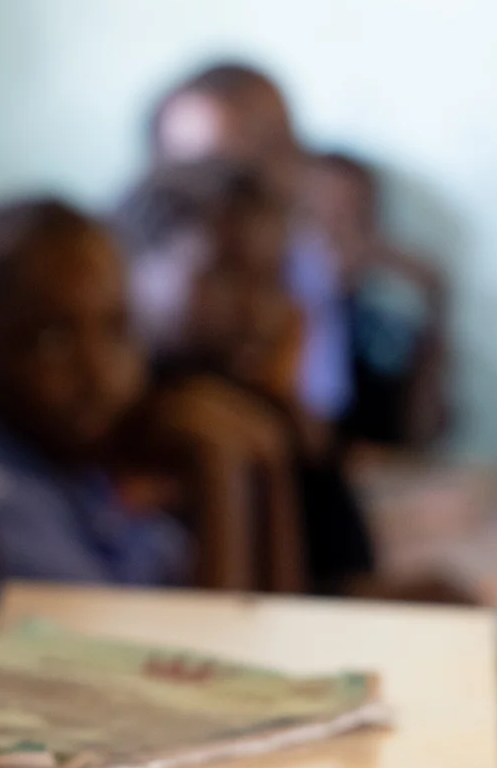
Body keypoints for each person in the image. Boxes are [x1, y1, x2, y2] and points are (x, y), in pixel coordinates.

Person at [0, 198, 305, 591]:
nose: (98, 371)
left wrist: (268, 468)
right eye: (52, 339)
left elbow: (272, 626)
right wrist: (219, 471)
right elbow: (199, 650)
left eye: (117, 329)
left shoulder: (85, 488)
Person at [115, 160, 378, 592]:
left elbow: (330, 584)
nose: (255, 309)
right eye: (225, 272)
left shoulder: (274, 414)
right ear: (133, 270)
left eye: (272, 279)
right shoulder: (114, 434)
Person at [146, 60, 352, 428]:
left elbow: (315, 421)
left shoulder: (306, 262)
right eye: (218, 164)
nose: (264, 177)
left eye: (276, 147)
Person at [301, 151, 451, 450]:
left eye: (352, 218)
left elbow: (420, 435)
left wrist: (436, 308)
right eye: (318, 216)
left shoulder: (386, 323)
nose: (335, 234)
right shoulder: (271, 317)